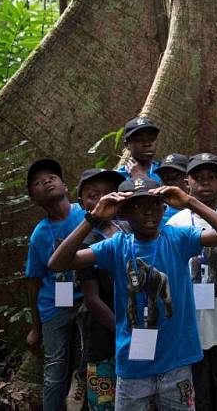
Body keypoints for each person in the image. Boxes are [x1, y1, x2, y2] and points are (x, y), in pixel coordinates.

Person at [47, 177, 217, 410]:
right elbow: (58, 263)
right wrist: (92, 218)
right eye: (138, 205)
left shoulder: (178, 238)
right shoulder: (116, 246)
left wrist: (189, 201)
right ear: (124, 212)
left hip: (176, 363)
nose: (148, 210)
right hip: (133, 366)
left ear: (163, 207)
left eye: (154, 203)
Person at [167, 153, 217, 411]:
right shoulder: (174, 224)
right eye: (198, 179)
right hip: (190, 326)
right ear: (187, 182)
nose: (205, 184)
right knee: (197, 393)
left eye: (211, 178)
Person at [24, 159, 85, 411]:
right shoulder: (40, 234)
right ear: (34, 198)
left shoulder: (86, 214)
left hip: (88, 301)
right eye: (38, 182)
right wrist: (35, 328)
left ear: (66, 185)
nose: (46, 182)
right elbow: (34, 281)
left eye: (51, 177)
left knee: (87, 361)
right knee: (55, 366)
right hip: (54, 306)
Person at [74, 168, 128, 410]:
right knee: (104, 395)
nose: (103, 200)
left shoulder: (128, 229)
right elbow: (92, 299)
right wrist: (122, 329)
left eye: (109, 193)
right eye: (94, 195)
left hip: (133, 321)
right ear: (82, 202)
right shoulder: (85, 241)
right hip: (103, 331)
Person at [117, 116, 162, 183]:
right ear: (127, 145)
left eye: (151, 139)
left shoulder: (165, 171)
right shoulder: (117, 176)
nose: (147, 144)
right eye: (139, 140)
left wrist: (140, 177)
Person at [154, 153, 190, 224]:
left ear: (188, 179)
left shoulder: (199, 209)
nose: (169, 182)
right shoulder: (156, 212)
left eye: (175, 176)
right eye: (164, 177)